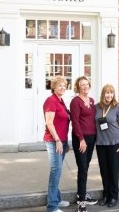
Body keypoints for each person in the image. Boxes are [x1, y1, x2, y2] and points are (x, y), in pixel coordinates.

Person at [95, 84, 119, 208]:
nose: (109, 95)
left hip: (115, 143)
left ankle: (113, 196)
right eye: (107, 93)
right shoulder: (97, 107)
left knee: (113, 171)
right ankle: (106, 195)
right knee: (104, 171)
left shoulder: (117, 107)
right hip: (101, 143)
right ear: (103, 94)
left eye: (111, 93)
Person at [70, 76, 98, 212]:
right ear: (78, 87)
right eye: (82, 85)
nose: (85, 86)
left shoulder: (92, 101)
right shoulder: (75, 101)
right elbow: (75, 122)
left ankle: (82, 193)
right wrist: (81, 139)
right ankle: (81, 201)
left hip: (92, 138)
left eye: (87, 84)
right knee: (82, 168)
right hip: (80, 139)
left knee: (85, 167)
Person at [43, 76, 71, 212]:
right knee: (56, 171)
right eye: (60, 85)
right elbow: (49, 123)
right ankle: (52, 206)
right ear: (53, 87)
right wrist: (58, 140)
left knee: (57, 171)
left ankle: (57, 199)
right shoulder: (51, 101)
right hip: (54, 141)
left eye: (64, 85)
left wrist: (65, 142)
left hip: (62, 141)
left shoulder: (61, 101)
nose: (63, 87)